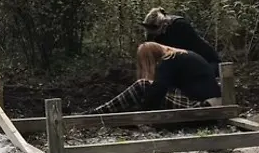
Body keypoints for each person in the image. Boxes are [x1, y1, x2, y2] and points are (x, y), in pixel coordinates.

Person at [88, 42, 222, 115]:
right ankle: (99, 113)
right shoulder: (179, 56)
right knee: (148, 88)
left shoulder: (170, 60)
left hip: (203, 107)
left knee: (143, 85)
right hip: (209, 103)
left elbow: (159, 89)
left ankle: (96, 114)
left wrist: (143, 113)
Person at [141, 8, 221, 76]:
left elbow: (186, 55)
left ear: (163, 25)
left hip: (207, 62)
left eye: (156, 32)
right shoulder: (153, 33)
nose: (154, 36)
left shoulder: (180, 26)